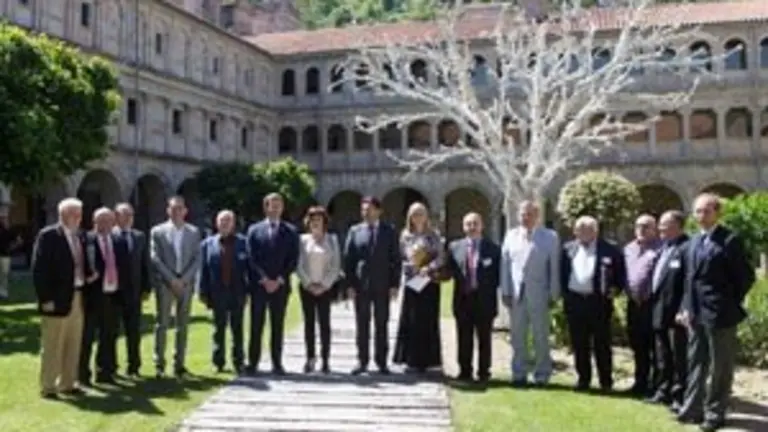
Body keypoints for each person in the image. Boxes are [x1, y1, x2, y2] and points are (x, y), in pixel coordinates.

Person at [676, 194, 754, 432]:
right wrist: (686, 308)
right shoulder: (692, 243)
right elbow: (689, 280)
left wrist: (727, 303)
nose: (701, 216)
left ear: (717, 213)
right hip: (696, 314)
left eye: (706, 211)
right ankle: (692, 409)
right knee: (696, 362)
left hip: (721, 315)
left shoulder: (729, 240)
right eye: (697, 211)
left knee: (720, 367)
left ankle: (715, 413)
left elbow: (745, 277)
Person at [32, 198, 97, 398]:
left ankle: (68, 383)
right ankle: (49, 386)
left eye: (79, 214)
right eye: (74, 214)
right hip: (56, 299)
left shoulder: (80, 237)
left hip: (77, 296)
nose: (78, 218)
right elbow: (39, 270)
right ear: (63, 215)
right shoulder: (49, 236)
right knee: (53, 343)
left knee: (73, 341)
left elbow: (80, 263)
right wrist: (45, 299)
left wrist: (89, 274)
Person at [560, 215, 627, 392]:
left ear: (596, 231)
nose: (583, 232)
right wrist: (565, 296)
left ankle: (606, 381)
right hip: (575, 302)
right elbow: (562, 275)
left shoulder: (610, 250)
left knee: (602, 344)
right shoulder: (568, 249)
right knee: (579, 344)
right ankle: (583, 379)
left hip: (598, 303)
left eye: (588, 229)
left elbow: (620, 275)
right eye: (580, 229)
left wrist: (616, 290)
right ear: (575, 231)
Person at [500, 200, 560, 386]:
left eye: (530, 214)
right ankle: (519, 373)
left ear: (537, 216)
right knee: (518, 336)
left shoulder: (550, 237)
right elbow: (505, 266)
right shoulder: (511, 236)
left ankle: (542, 374)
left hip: (539, 294)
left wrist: (554, 293)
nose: (525, 217)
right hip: (516, 295)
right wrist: (505, 290)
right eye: (523, 214)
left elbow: (554, 268)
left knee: (541, 336)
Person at [344, 196, 401, 375]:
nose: (365, 213)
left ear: (378, 211)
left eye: (369, 209)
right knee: (362, 324)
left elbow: (396, 260)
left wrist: (394, 285)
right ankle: (362, 361)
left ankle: (382, 361)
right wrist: (350, 285)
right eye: (363, 210)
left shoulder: (389, 231)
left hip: (383, 284)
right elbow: (348, 260)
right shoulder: (355, 231)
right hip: (361, 286)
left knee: (381, 323)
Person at [245, 193, 299, 375]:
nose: (275, 208)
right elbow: (251, 258)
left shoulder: (291, 232)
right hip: (259, 286)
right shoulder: (254, 230)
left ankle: (277, 363)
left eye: (278, 205)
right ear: (265, 207)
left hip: (281, 287)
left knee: (277, 326)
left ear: (282, 208)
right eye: (271, 205)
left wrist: (279, 280)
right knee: (256, 325)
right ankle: (252, 363)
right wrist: (264, 279)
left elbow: (293, 259)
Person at [150, 196, 202, 379]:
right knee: (162, 324)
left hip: (186, 284)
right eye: (173, 208)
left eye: (180, 208)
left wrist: (184, 279)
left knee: (183, 325)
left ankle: (179, 364)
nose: (176, 212)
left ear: (185, 211)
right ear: (168, 210)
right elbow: (155, 257)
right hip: (166, 284)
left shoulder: (194, 232)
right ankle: (159, 364)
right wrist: (171, 279)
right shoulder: (158, 231)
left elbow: (197, 258)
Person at [446, 212, 500, 383]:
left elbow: (498, 276)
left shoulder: (493, 248)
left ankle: (484, 372)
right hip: (463, 300)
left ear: (481, 226)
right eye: (468, 224)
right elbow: (448, 271)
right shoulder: (454, 247)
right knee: (463, 338)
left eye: (475, 223)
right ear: (463, 227)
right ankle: (465, 371)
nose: (472, 227)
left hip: (485, 301)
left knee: (484, 339)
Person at [79, 207, 130, 386]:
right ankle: (83, 375)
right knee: (87, 337)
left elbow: (124, 268)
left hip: (113, 295)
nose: (105, 225)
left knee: (108, 336)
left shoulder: (119, 241)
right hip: (92, 297)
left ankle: (105, 372)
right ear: (94, 222)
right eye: (101, 221)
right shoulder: (86, 240)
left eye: (109, 221)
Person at [393, 202, 443, 374]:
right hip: (412, 281)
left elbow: (440, 257)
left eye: (421, 213)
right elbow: (400, 256)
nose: (418, 217)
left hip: (429, 282)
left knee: (428, 320)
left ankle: (429, 361)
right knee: (411, 320)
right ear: (410, 217)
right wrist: (412, 266)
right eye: (415, 214)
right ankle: (411, 360)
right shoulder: (405, 235)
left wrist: (427, 268)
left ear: (426, 216)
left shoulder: (433, 235)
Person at [647, 210, 689, 408]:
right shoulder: (664, 247)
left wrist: (684, 309)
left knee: (679, 356)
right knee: (662, 355)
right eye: (660, 224)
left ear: (678, 226)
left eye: (665, 224)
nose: (660, 228)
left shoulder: (686, 248)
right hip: (659, 310)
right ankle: (663, 391)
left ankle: (679, 396)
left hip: (677, 314)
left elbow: (689, 284)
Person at [199, 210, 249, 374]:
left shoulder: (244, 243)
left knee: (237, 329)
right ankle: (218, 362)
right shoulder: (207, 244)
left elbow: (249, 269)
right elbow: (204, 270)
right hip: (217, 292)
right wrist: (203, 292)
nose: (225, 224)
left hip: (237, 292)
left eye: (228, 221)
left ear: (233, 224)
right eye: (222, 221)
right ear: (216, 223)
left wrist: (248, 291)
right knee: (218, 329)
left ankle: (239, 361)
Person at [295, 206, 342, 374]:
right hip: (307, 288)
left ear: (324, 221)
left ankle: (326, 360)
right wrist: (308, 283)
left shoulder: (332, 240)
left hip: (325, 288)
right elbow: (298, 265)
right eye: (312, 220)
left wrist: (324, 285)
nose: (316, 223)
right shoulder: (302, 240)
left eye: (319, 220)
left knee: (324, 324)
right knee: (309, 325)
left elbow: (336, 266)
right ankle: (310, 358)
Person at [623, 214, 662, 397]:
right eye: (638, 225)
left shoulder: (661, 248)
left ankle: (655, 385)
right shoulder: (628, 249)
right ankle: (640, 382)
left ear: (655, 229)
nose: (642, 229)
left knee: (654, 347)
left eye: (646, 226)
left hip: (652, 304)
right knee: (637, 345)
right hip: (633, 304)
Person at [114, 202, 150, 378]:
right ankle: (109, 367)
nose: (128, 218)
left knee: (134, 332)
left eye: (131, 215)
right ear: (116, 217)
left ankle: (134, 366)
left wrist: (146, 287)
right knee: (111, 332)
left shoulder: (139, 237)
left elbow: (145, 264)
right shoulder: (110, 236)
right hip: (114, 294)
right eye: (124, 215)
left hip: (135, 293)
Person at [0, 212, 21, 300]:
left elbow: (19, 241)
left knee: (4, 274)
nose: (3, 220)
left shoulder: (11, 230)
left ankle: (3, 293)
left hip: (5, 255)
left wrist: (12, 248)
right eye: (2, 218)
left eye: (5, 218)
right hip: (5, 254)